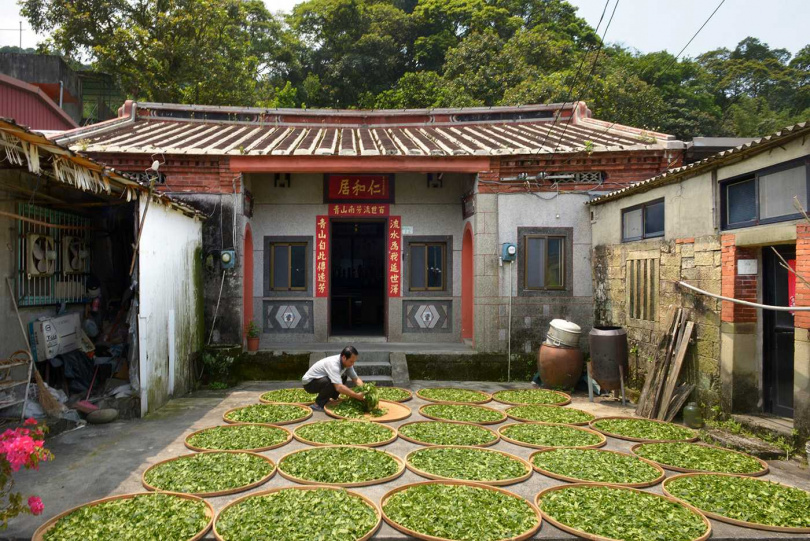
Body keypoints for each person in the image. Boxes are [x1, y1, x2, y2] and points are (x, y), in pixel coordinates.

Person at [302, 346, 365, 411]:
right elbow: (339, 387)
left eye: (354, 362)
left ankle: (332, 397)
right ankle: (317, 404)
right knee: (330, 382)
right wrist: (356, 395)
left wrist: (365, 390)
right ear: (344, 357)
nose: (352, 364)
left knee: (342, 376)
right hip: (309, 383)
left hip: (319, 380)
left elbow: (356, 379)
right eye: (351, 361)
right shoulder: (333, 364)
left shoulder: (347, 364)